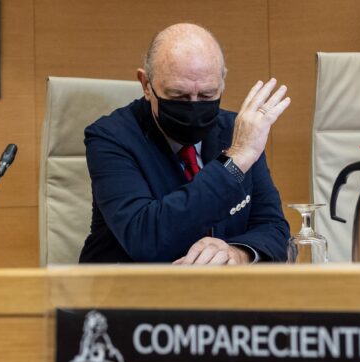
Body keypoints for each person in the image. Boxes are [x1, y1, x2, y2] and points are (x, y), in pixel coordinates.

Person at [80, 23, 291, 264]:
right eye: (178, 96)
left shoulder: (237, 132)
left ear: (222, 82)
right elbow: (145, 239)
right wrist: (234, 162)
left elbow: (274, 229)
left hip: (222, 295)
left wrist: (236, 254)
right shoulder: (111, 137)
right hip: (132, 294)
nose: (193, 105)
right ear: (146, 85)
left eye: (207, 95)